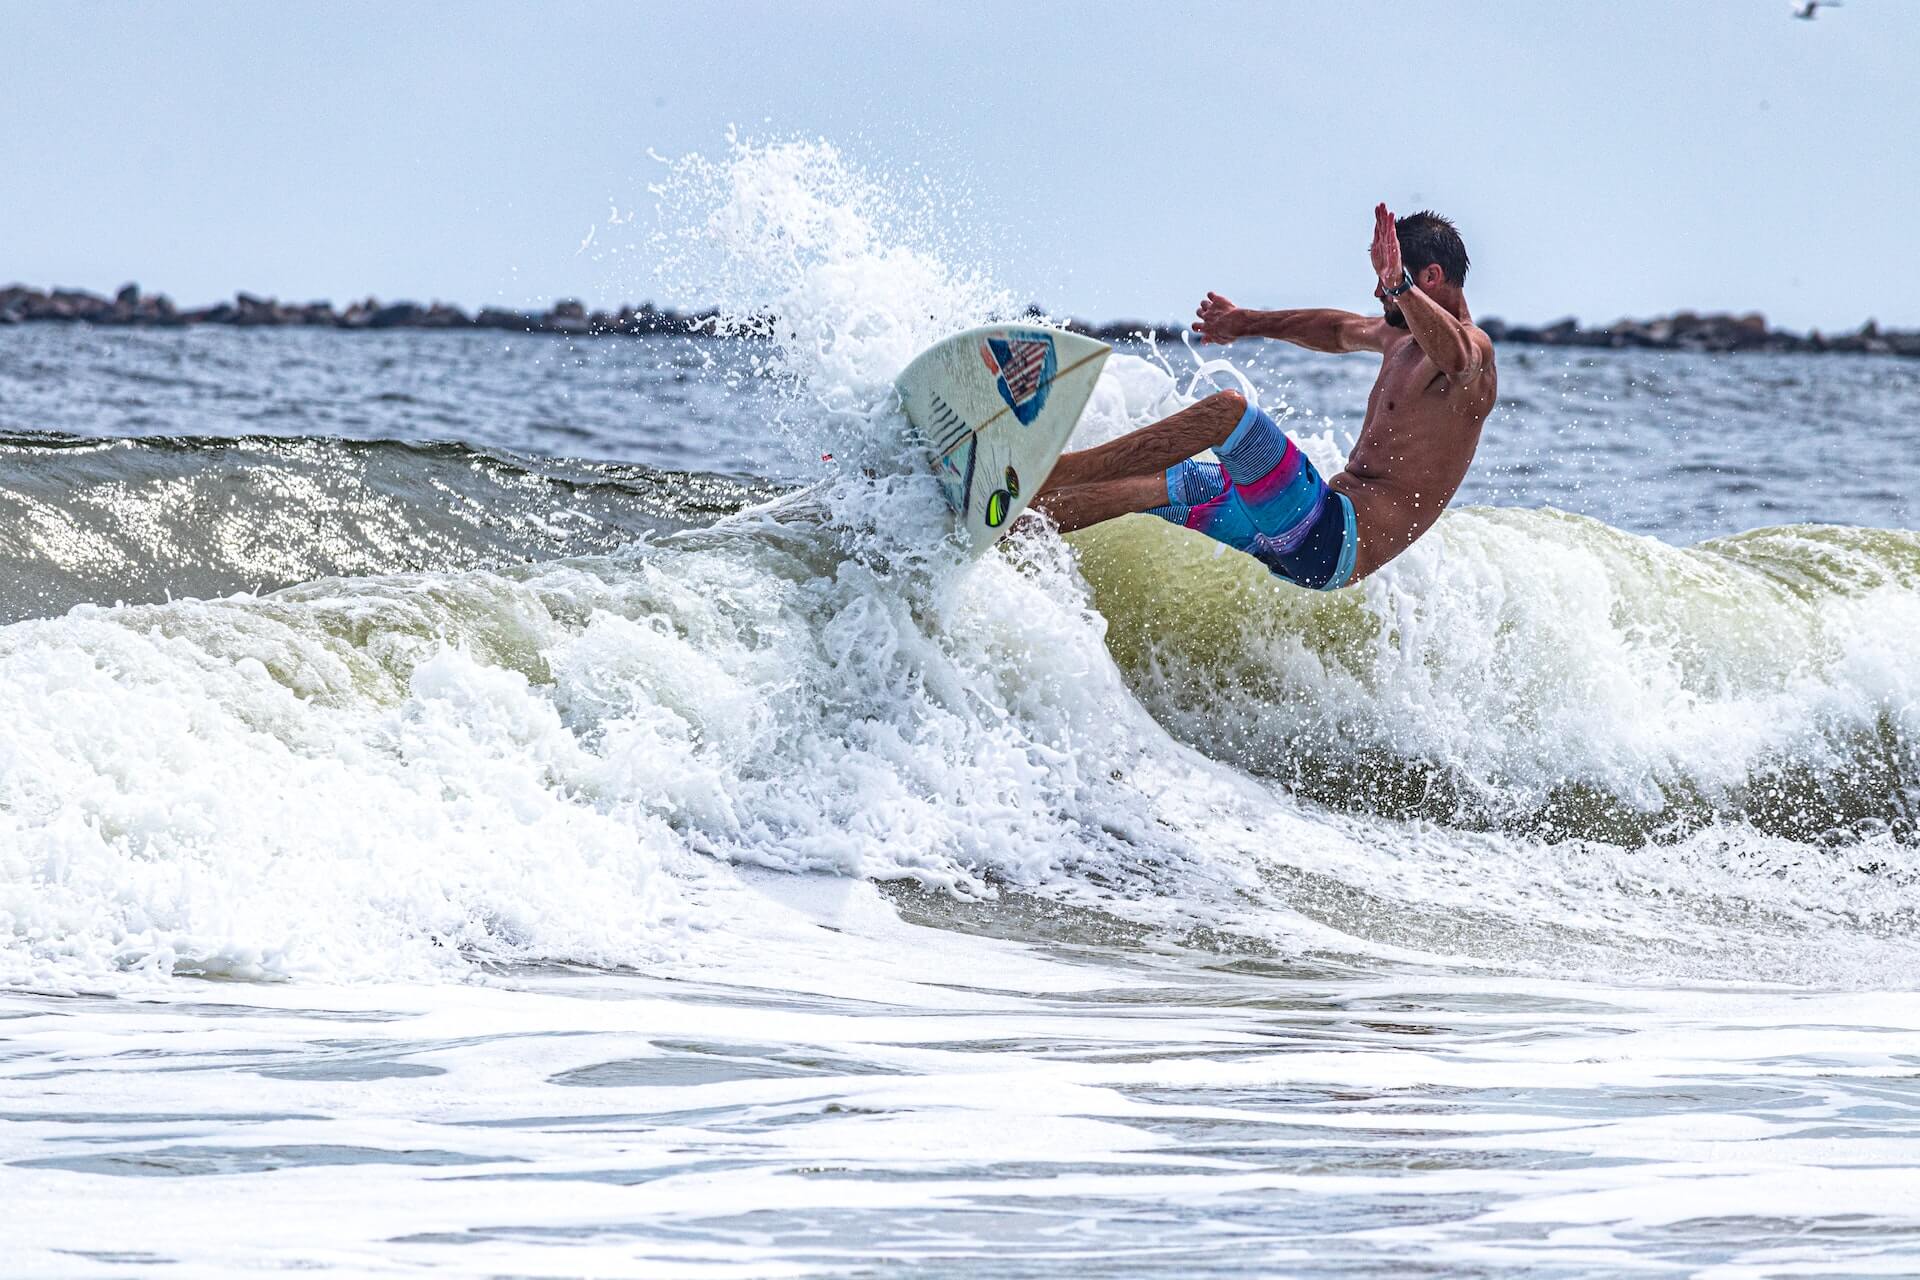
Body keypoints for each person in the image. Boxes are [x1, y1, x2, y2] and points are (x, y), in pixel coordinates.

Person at [1033, 205, 1497, 589]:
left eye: (1389, 281)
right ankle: (1014, 524)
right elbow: (1336, 330)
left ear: (1430, 277)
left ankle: (1052, 471)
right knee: (1151, 487)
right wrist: (1246, 322)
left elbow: (1457, 357)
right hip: (1297, 533)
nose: (1379, 291)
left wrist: (1400, 286)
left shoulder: (1473, 355)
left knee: (1229, 415)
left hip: (1333, 541)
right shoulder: (1399, 336)